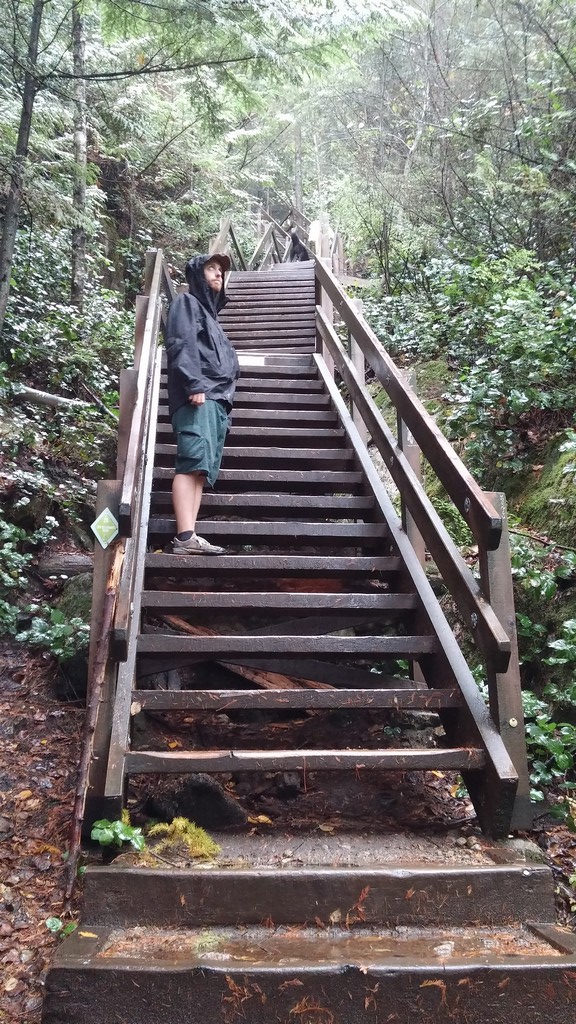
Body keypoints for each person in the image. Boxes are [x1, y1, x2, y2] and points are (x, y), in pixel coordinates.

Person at [164, 252, 240, 554]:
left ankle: (190, 535)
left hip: (216, 399)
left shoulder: (211, 318)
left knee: (201, 469)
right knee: (191, 461)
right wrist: (193, 384)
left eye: (221, 270)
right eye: (211, 268)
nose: (219, 273)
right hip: (199, 396)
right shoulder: (186, 303)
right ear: (197, 274)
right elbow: (180, 342)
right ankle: (184, 537)